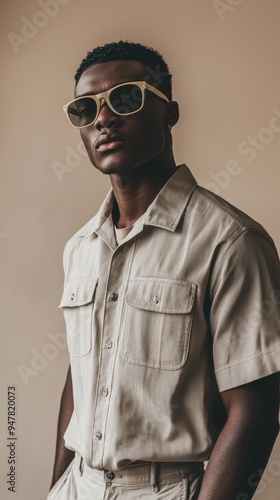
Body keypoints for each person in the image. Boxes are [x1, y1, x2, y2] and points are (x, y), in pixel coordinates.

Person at [48, 41, 280, 500]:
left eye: (126, 98)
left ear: (169, 113)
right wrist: (55, 487)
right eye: (85, 108)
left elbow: (256, 411)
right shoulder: (80, 248)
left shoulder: (230, 241)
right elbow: (81, 376)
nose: (104, 118)